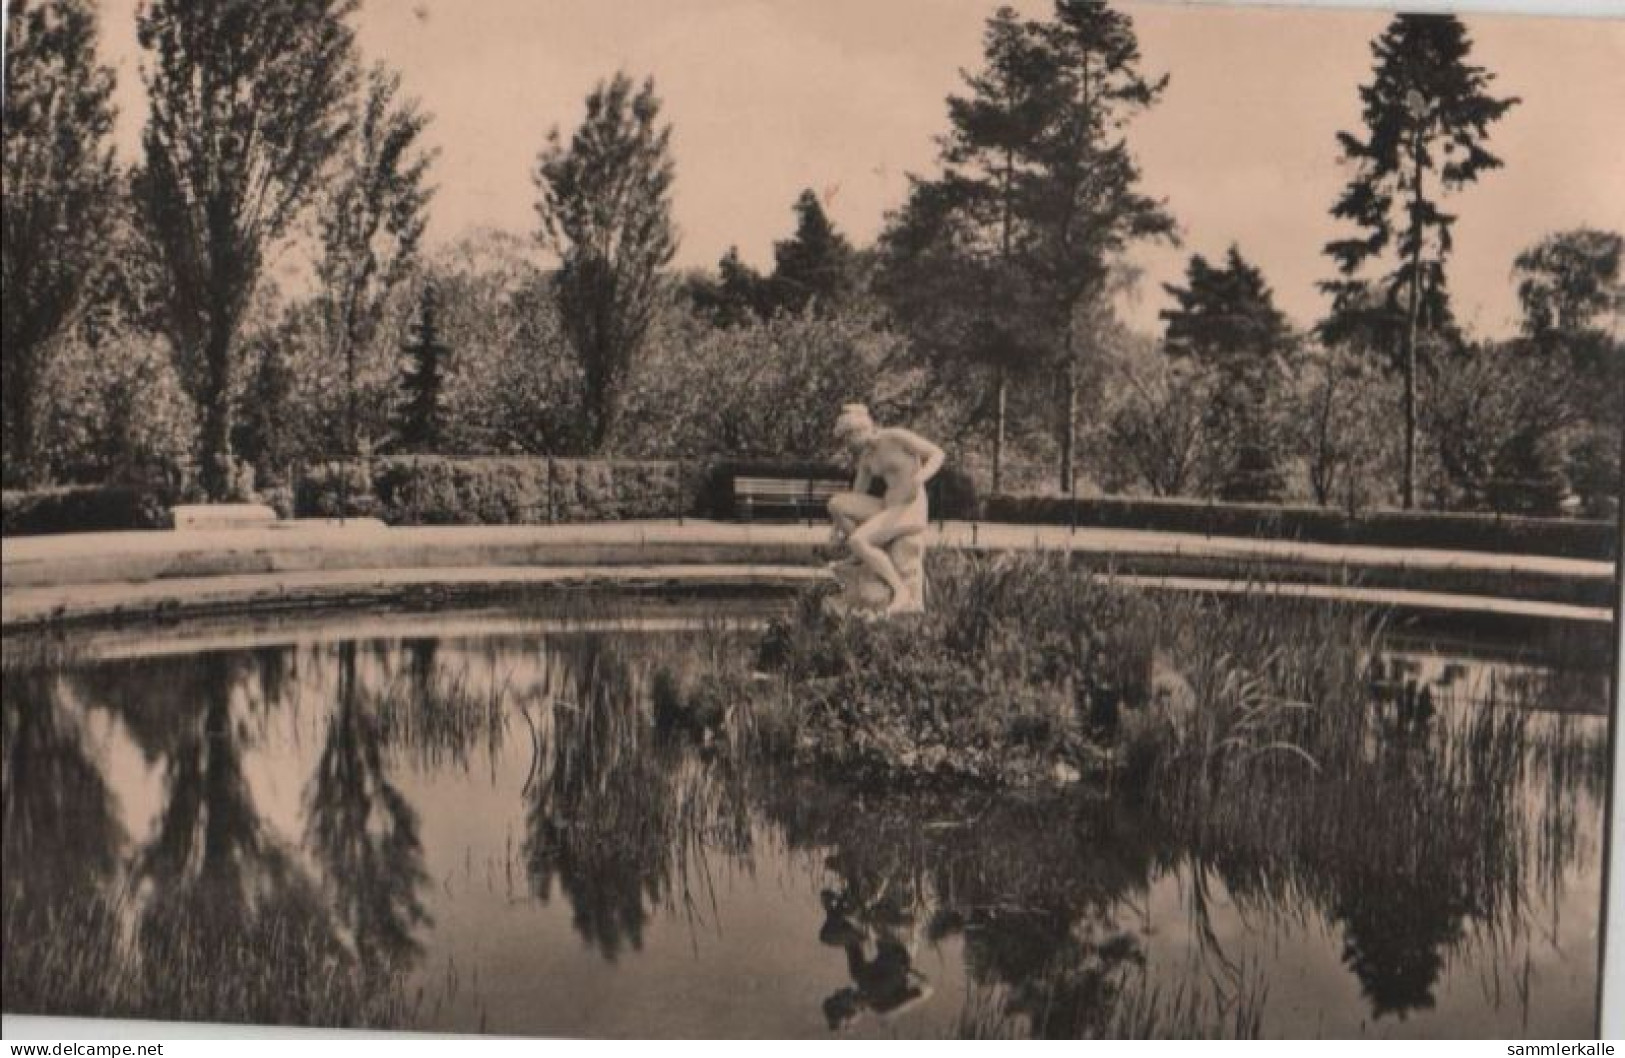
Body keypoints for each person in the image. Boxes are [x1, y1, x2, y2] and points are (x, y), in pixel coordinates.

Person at [826, 403, 944, 615]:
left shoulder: (895, 437)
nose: (847, 445)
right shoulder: (866, 458)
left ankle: (901, 592)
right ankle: (863, 554)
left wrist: (919, 478)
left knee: (858, 540)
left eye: (847, 438)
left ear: (859, 431)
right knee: (836, 504)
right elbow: (857, 495)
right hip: (889, 506)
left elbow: (937, 453)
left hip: (910, 508)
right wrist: (836, 529)